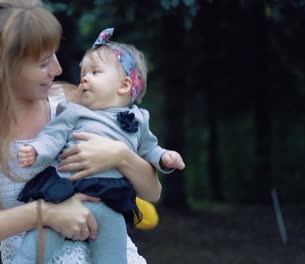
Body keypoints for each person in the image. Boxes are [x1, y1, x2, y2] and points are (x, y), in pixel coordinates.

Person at [0, 1, 164, 263]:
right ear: (3, 68)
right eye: (43, 62)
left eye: (54, 54)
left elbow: (152, 191)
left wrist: (121, 156)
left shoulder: (73, 102)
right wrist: (44, 213)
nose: (58, 69)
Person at [14, 28, 185, 264]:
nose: (83, 78)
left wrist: (166, 158)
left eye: (95, 72)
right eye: (83, 73)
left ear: (124, 85)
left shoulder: (139, 119)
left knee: (113, 253)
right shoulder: (75, 112)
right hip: (68, 193)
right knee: (38, 243)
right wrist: (36, 150)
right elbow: (53, 136)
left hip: (110, 199)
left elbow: (149, 149)